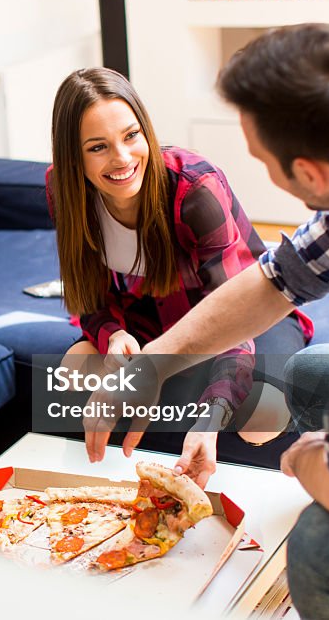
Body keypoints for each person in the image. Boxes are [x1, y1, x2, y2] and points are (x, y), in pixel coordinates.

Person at [98, 24, 329, 618]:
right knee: (309, 378)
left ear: (309, 174)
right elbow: (276, 278)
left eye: (260, 160)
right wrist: (156, 364)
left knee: (323, 546)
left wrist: (309, 459)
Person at [49, 67, 311, 469]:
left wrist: (211, 416)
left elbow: (235, 317)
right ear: (73, 157)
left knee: (261, 416)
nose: (122, 159)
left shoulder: (195, 189)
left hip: (245, 315)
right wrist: (113, 334)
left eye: (131, 136)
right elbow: (86, 296)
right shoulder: (62, 191)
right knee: (72, 373)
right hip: (146, 323)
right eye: (98, 147)